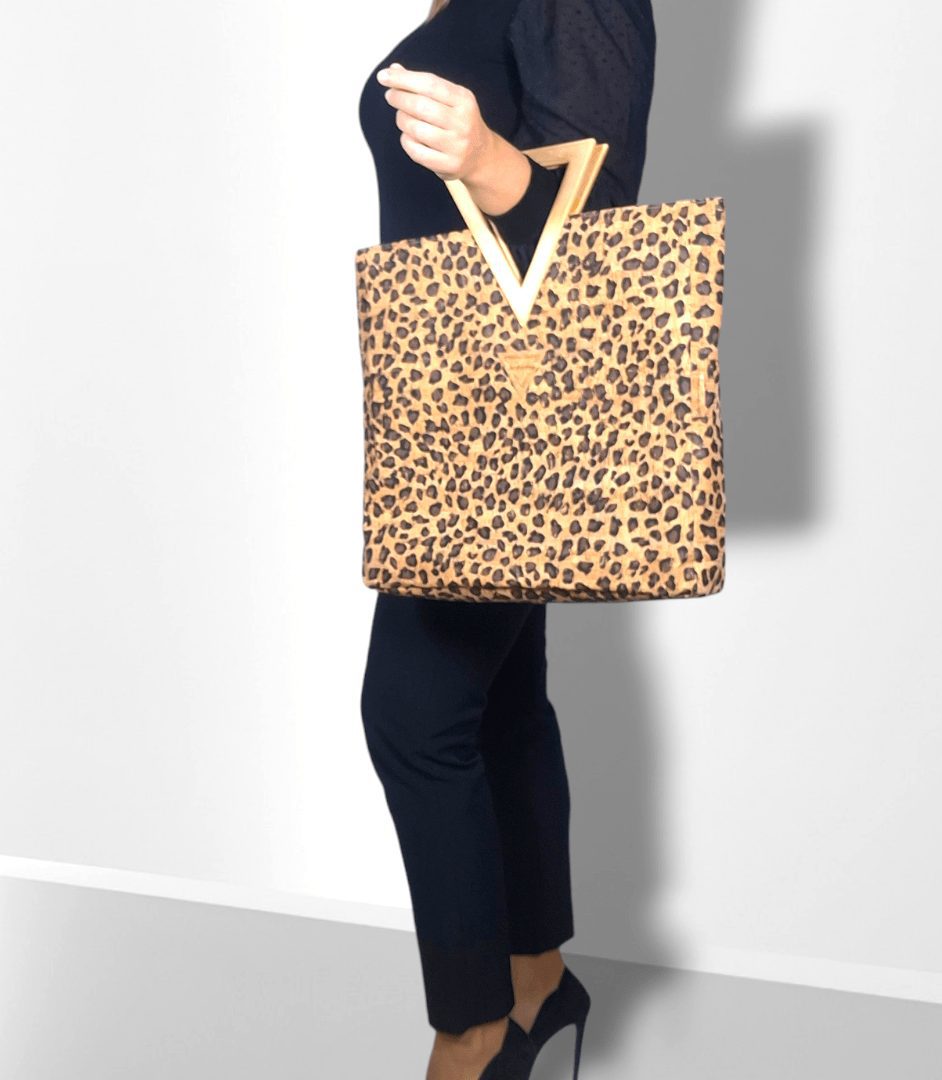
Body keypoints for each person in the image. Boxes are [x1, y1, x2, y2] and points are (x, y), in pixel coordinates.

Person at [357, 1, 655, 1076]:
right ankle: (538, 986)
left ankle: (475, 1032)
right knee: (501, 707)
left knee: (412, 712)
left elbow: (609, 230)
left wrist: (487, 161)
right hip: (456, 397)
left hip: (508, 416)